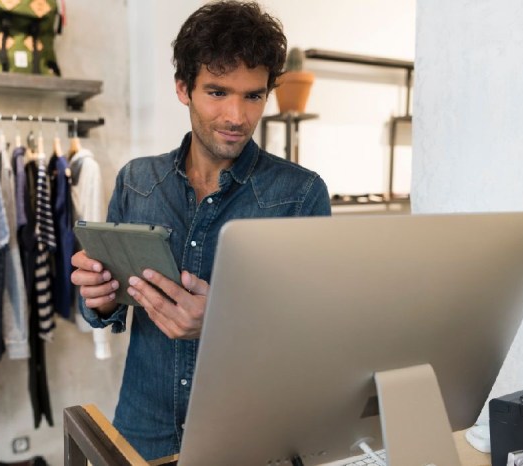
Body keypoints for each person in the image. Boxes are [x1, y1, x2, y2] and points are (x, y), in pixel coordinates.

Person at [71, 0, 331, 460]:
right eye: (217, 92)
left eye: (253, 95)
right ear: (182, 88)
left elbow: (315, 342)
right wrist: (99, 296)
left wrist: (223, 327)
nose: (236, 116)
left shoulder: (301, 194)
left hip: (248, 436)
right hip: (142, 425)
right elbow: (103, 311)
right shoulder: (137, 180)